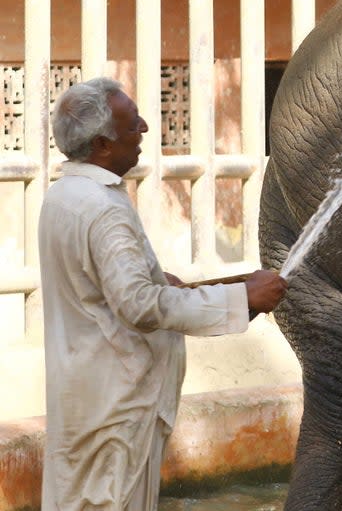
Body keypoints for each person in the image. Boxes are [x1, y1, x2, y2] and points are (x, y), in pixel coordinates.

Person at [38, 77, 288, 511]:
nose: (146, 129)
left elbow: (109, 289)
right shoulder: (102, 209)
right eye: (133, 124)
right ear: (101, 144)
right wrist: (243, 300)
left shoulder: (63, 195)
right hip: (118, 408)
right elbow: (140, 305)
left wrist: (224, 285)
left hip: (86, 400)